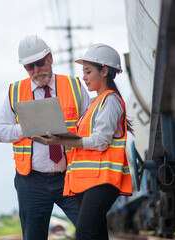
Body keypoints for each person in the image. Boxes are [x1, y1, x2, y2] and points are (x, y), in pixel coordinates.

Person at [32, 43, 133, 240]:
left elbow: (101, 141)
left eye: (88, 71)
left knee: (85, 233)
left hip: (102, 180)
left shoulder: (110, 101)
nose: (84, 77)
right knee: (96, 234)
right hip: (86, 181)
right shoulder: (95, 103)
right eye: (83, 72)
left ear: (104, 71)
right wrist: (59, 138)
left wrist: (64, 141)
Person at [0, 35, 90, 240]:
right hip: (32, 181)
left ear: (50, 58)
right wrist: (26, 128)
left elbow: (92, 125)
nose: (37, 70)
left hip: (71, 176)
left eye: (40, 63)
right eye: (30, 67)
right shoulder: (15, 91)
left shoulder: (74, 86)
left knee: (91, 231)